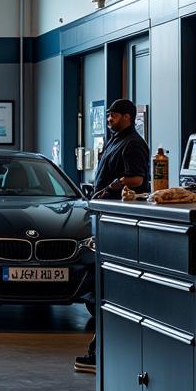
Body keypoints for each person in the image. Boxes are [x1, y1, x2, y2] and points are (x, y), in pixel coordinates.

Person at [74, 97, 150, 373]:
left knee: (110, 288)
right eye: (108, 115)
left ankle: (100, 354)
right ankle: (98, 352)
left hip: (122, 221)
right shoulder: (115, 140)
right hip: (105, 219)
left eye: (114, 116)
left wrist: (113, 186)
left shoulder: (134, 144)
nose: (110, 119)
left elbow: (137, 179)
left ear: (128, 117)